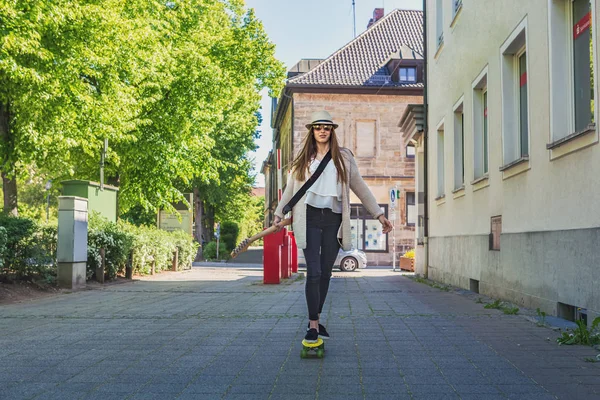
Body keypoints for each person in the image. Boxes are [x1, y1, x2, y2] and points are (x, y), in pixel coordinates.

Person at [273, 110, 393, 343]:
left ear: (332, 131)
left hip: (334, 220)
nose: (322, 131)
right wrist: (279, 213)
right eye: (318, 127)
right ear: (312, 131)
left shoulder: (344, 158)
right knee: (314, 272)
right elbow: (291, 190)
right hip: (308, 217)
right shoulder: (303, 159)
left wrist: (379, 214)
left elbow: (360, 188)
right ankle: (314, 324)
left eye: (326, 127)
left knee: (327, 273)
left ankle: (314, 320)